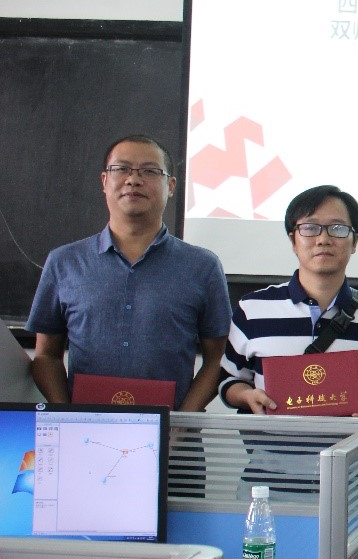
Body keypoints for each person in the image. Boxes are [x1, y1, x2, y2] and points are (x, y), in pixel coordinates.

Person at [27, 134, 230, 410]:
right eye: (121, 169)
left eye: (149, 171)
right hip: (84, 429)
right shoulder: (64, 262)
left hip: (171, 430)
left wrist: (183, 421)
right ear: (104, 181)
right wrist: (66, 414)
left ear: (171, 186)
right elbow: (46, 357)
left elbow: (217, 359)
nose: (133, 179)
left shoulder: (202, 267)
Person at [219, 185, 358, 492]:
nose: (323, 239)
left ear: (354, 241)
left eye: (338, 228)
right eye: (310, 228)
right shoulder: (253, 308)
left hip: (350, 486)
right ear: (293, 240)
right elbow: (229, 381)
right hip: (265, 483)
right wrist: (247, 397)